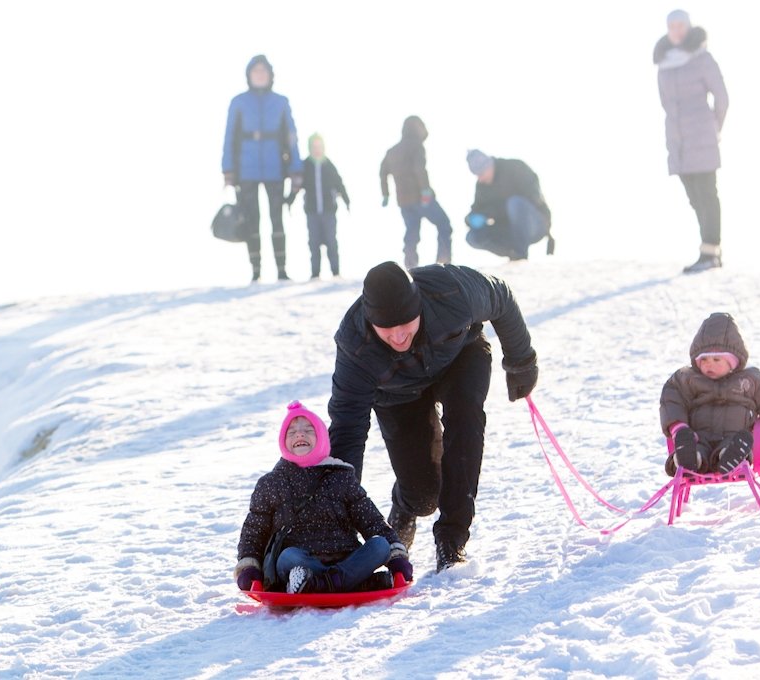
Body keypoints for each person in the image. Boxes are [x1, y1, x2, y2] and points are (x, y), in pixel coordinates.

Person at [328, 262, 539, 572]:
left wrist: (522, 361)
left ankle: (452, 540)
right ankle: (406, 506)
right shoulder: (354, 346)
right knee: (423, 494)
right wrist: (337, 522)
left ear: (420, 307)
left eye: (406, 323)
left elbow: (501, 298)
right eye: (387, 327)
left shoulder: (452, 291)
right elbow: (347, 430)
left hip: (459, 356)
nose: (399, 336)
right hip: (396, 392)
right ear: (370, 321)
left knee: (466, 419)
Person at [235, 401, 413, 595]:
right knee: (287, 557)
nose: (300, 434)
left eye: (309, 430)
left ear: (321, 438)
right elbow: (254, 529)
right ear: (283, 442)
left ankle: (317, 584)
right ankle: (352, 583)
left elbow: (371, 520)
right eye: (291, 432)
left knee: (380, 545)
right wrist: (249, 566)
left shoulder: (341, 477)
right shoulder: (270, 483)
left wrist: (397, 557)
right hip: (300, 562)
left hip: (346, 557)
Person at [660, 313, 760, 477]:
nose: (709, 364)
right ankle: (688, 459)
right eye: (704, 360)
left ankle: (731, 457)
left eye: (716, 359)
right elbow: (671, 400)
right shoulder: (687, 379)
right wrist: (678, 428)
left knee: (734, 445)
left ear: (734, 361)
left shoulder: (751, 380)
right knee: (694, 448)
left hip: (734, 438)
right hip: (697, 438)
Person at [654, 10, 729, 274]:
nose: (676, 30)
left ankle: (711, 250)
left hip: (702, 136)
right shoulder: (663, 63)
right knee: (694, 197)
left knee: (708, 194)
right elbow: (666, 104)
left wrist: (712, 126)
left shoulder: (702, 58)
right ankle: (707, 250)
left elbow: (722, 98)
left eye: (680, 25)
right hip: (678, 142)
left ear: (688, 27)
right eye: (671, 26)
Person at [222, 55, 303, 282]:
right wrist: (228, 170)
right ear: (249, 75)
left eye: (263, 71)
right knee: (252, 220)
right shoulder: (238, 102)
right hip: (245, 171)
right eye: (255, 71)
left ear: (270, 75)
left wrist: (296, 170)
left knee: (277, 219)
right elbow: (229, 137)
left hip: (275, 168)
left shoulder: (281, 102)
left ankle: (281, 269)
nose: (259, 74)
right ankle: (255, 271)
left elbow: (291, 137)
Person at [380, 116, 452, 269]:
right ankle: (443, 264)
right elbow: (419, 169)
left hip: (403, 201)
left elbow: (382, 172)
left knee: (412, 233)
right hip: (421, 197)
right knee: (444, 224)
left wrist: (386, 194)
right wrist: (425, 191)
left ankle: (410, 266)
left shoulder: (392, 151)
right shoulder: (416, 146)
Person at [464, 150, 555, 261]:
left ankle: (520, 254)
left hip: (535, 224)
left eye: (481, 173)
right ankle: (512, 254)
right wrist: (470, 219)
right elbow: (477, 209)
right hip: (508, 231)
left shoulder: (515, 167)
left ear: (489, 164)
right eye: (477, 175)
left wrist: (492, 212)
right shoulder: (481, 186)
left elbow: (533, 197)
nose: (480, 178)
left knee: (515, 203)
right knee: (472, 237)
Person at [287, 134, 350, 279]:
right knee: (314, 242)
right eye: (314, 147)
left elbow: (339, 184)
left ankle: (335, 271)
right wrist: (289, 201)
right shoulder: (305, 166)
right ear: (310, 148)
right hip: (312, 212)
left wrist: (347, 201)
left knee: (331, 241)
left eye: (319, 146)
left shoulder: (329, 165)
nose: (317, 150)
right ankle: (315, 273)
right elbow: (296, 186)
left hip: (329, 211)